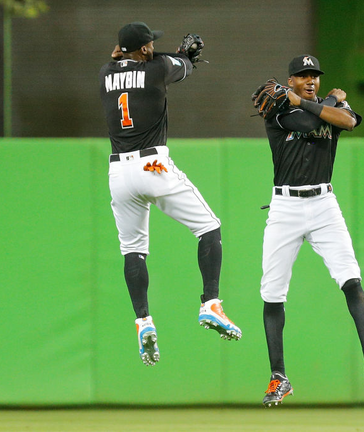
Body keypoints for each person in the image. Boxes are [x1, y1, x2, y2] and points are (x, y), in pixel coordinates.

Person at [99, 22, 241, 367]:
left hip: (118, 172)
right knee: (209, 228)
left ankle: (143, 321)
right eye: (149, 44)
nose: (152, 47)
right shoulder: (158, 68)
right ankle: (210, 303)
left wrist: (125, 56)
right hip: (152, 166)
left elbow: (125, 63)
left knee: (132, 249)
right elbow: (183, 65)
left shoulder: (104, 73)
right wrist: (182, 55)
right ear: (145, 49)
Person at [255, 55, 364, 407]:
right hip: (285, 207)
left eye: (314, 75)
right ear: (291, 80)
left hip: (323, 204)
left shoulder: (320, 105)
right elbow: (310, 121)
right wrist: (325, 100)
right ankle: (278, 376)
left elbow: (348, 121)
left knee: (351, 278)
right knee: (272, 292)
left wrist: (324, 104)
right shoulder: (280, 109)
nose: (310, 80)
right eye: (302, 76)